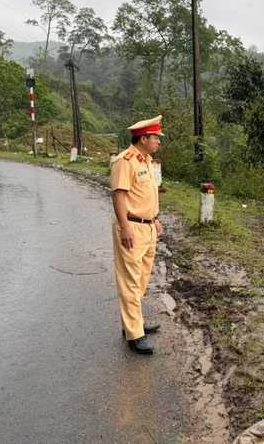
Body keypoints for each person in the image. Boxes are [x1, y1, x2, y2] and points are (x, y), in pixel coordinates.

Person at [110, 115, 165, 355]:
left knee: (141, 279)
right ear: (144, 139)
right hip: (132, 227)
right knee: (131, 282)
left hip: (148, 227)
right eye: (156, 138)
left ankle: (133, 321)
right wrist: (125, 227)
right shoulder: (126, 161)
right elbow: (119, 196)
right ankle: (134, 334)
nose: (159, 142)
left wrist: (155, 219)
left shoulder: (148, 161)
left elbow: (145, 196)